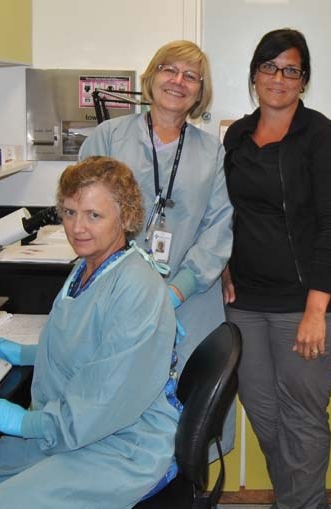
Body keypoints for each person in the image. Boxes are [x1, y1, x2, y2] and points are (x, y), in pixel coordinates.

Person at [0, 156, 181, 509]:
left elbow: (109, 394)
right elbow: (88, 344)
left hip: (121, 443)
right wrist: (27, 353)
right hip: (72, 425)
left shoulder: (137, 285)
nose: (78, 228)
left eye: (94, 215)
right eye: (70, 212)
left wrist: (28, 423)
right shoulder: (87, 268)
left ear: (127, 216)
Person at [222, 29, 331, 509]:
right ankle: (301, 500)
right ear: (255, 74)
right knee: (262, 411)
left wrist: (316, 308)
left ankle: (300, 503)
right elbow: (224, 213)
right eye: (269, 67)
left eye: (290, 69)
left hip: (308, 303)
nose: (279, 78)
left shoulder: (322, 136)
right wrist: (222, 269)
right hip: (246, 303)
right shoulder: (237, 134)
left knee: (301, 416)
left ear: (304, 79)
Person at [78, 40, 232, 375]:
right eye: (170, 70)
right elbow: (81, 212)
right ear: (152, 76)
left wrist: (176, 292)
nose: (178, 81)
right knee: (115, 392)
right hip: (115, 296)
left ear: (200, 92)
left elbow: (219, 227)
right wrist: (125, 288)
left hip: (190, 300)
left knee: (187, 405)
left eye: (191, 76)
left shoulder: (212, 153)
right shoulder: (108, 139)